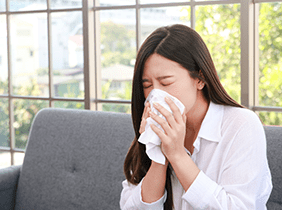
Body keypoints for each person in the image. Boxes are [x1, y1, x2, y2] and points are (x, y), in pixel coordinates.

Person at [120, 24, 272, 210]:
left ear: (200, 78)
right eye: (147, 85)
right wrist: (158, 154)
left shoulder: (241, 125)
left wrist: (177, 155)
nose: (155, 95)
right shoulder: (151, 131)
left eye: (166, 82)